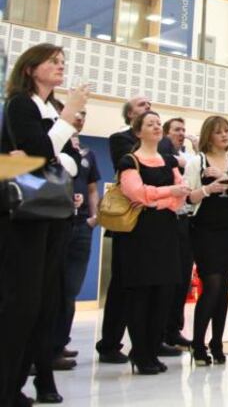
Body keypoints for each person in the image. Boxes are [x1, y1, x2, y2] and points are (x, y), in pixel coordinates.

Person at [0, 44, 87, 406]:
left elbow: (72, 161)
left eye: (62, 62)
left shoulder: (52, 110)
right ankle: (6, 388)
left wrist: (49, 155)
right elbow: (37, 151)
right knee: (22, 303)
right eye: (53, 61)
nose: (60, 66)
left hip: (55, 214)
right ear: (30, 68)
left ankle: (30, 381)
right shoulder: (21, 104)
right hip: (25, 217)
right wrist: (61, 128)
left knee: (46, 303)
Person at [117, 110, 190, 375]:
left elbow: (182, 195)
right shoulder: (130, 161)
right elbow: (136, 194)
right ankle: (140, 352)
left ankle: (152, 349)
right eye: (151, 124)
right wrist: (168, 193)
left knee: (164, 292)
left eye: (159, 123)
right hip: (140, 233)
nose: (157, 127)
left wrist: (159, 199)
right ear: (138, 131)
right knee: (142, 294)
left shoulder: (169, 161)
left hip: (167, 230)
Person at [184, 115, 228, 366]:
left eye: (227, 131)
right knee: (211, 286)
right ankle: (198, 343)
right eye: (219, 131)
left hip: (227, 226)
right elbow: (187, 197)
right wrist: (208, 189)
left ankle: (218, 342)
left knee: (223, 289)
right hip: (204, 227)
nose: (224, 135)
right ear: (208, 136)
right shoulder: (196, 162)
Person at [95, 95, 152, 365]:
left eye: (149, 105)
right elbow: (134, 168)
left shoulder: (160, 144)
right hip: (127, 223)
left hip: (151, 223)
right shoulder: (120, 139)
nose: (148, 108)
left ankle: (146, 343)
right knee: (121, 285)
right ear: (130, 115)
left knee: (147, 285)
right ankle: (109, 344)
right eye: (142, 105)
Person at [52, 112, 101, 366]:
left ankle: (59, 343)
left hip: (82, 225)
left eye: (84, 114)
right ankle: (45, 347)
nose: (80, 118)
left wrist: (94, 218)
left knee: (70, 289)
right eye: (76, 113)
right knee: (53, 287)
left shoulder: (87, 155)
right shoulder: (51, 145)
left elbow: (92, 188)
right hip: (57, 222)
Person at [158, 117, 195, 351]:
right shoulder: (163, 154)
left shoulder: (188, 157)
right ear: (166, 133)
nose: (181, 133)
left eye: (183, 130)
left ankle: (174, 330)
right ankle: (161, 332)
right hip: (167, 221)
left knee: (182, 279)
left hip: (186, 222)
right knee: (168, 280)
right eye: (176, 130)